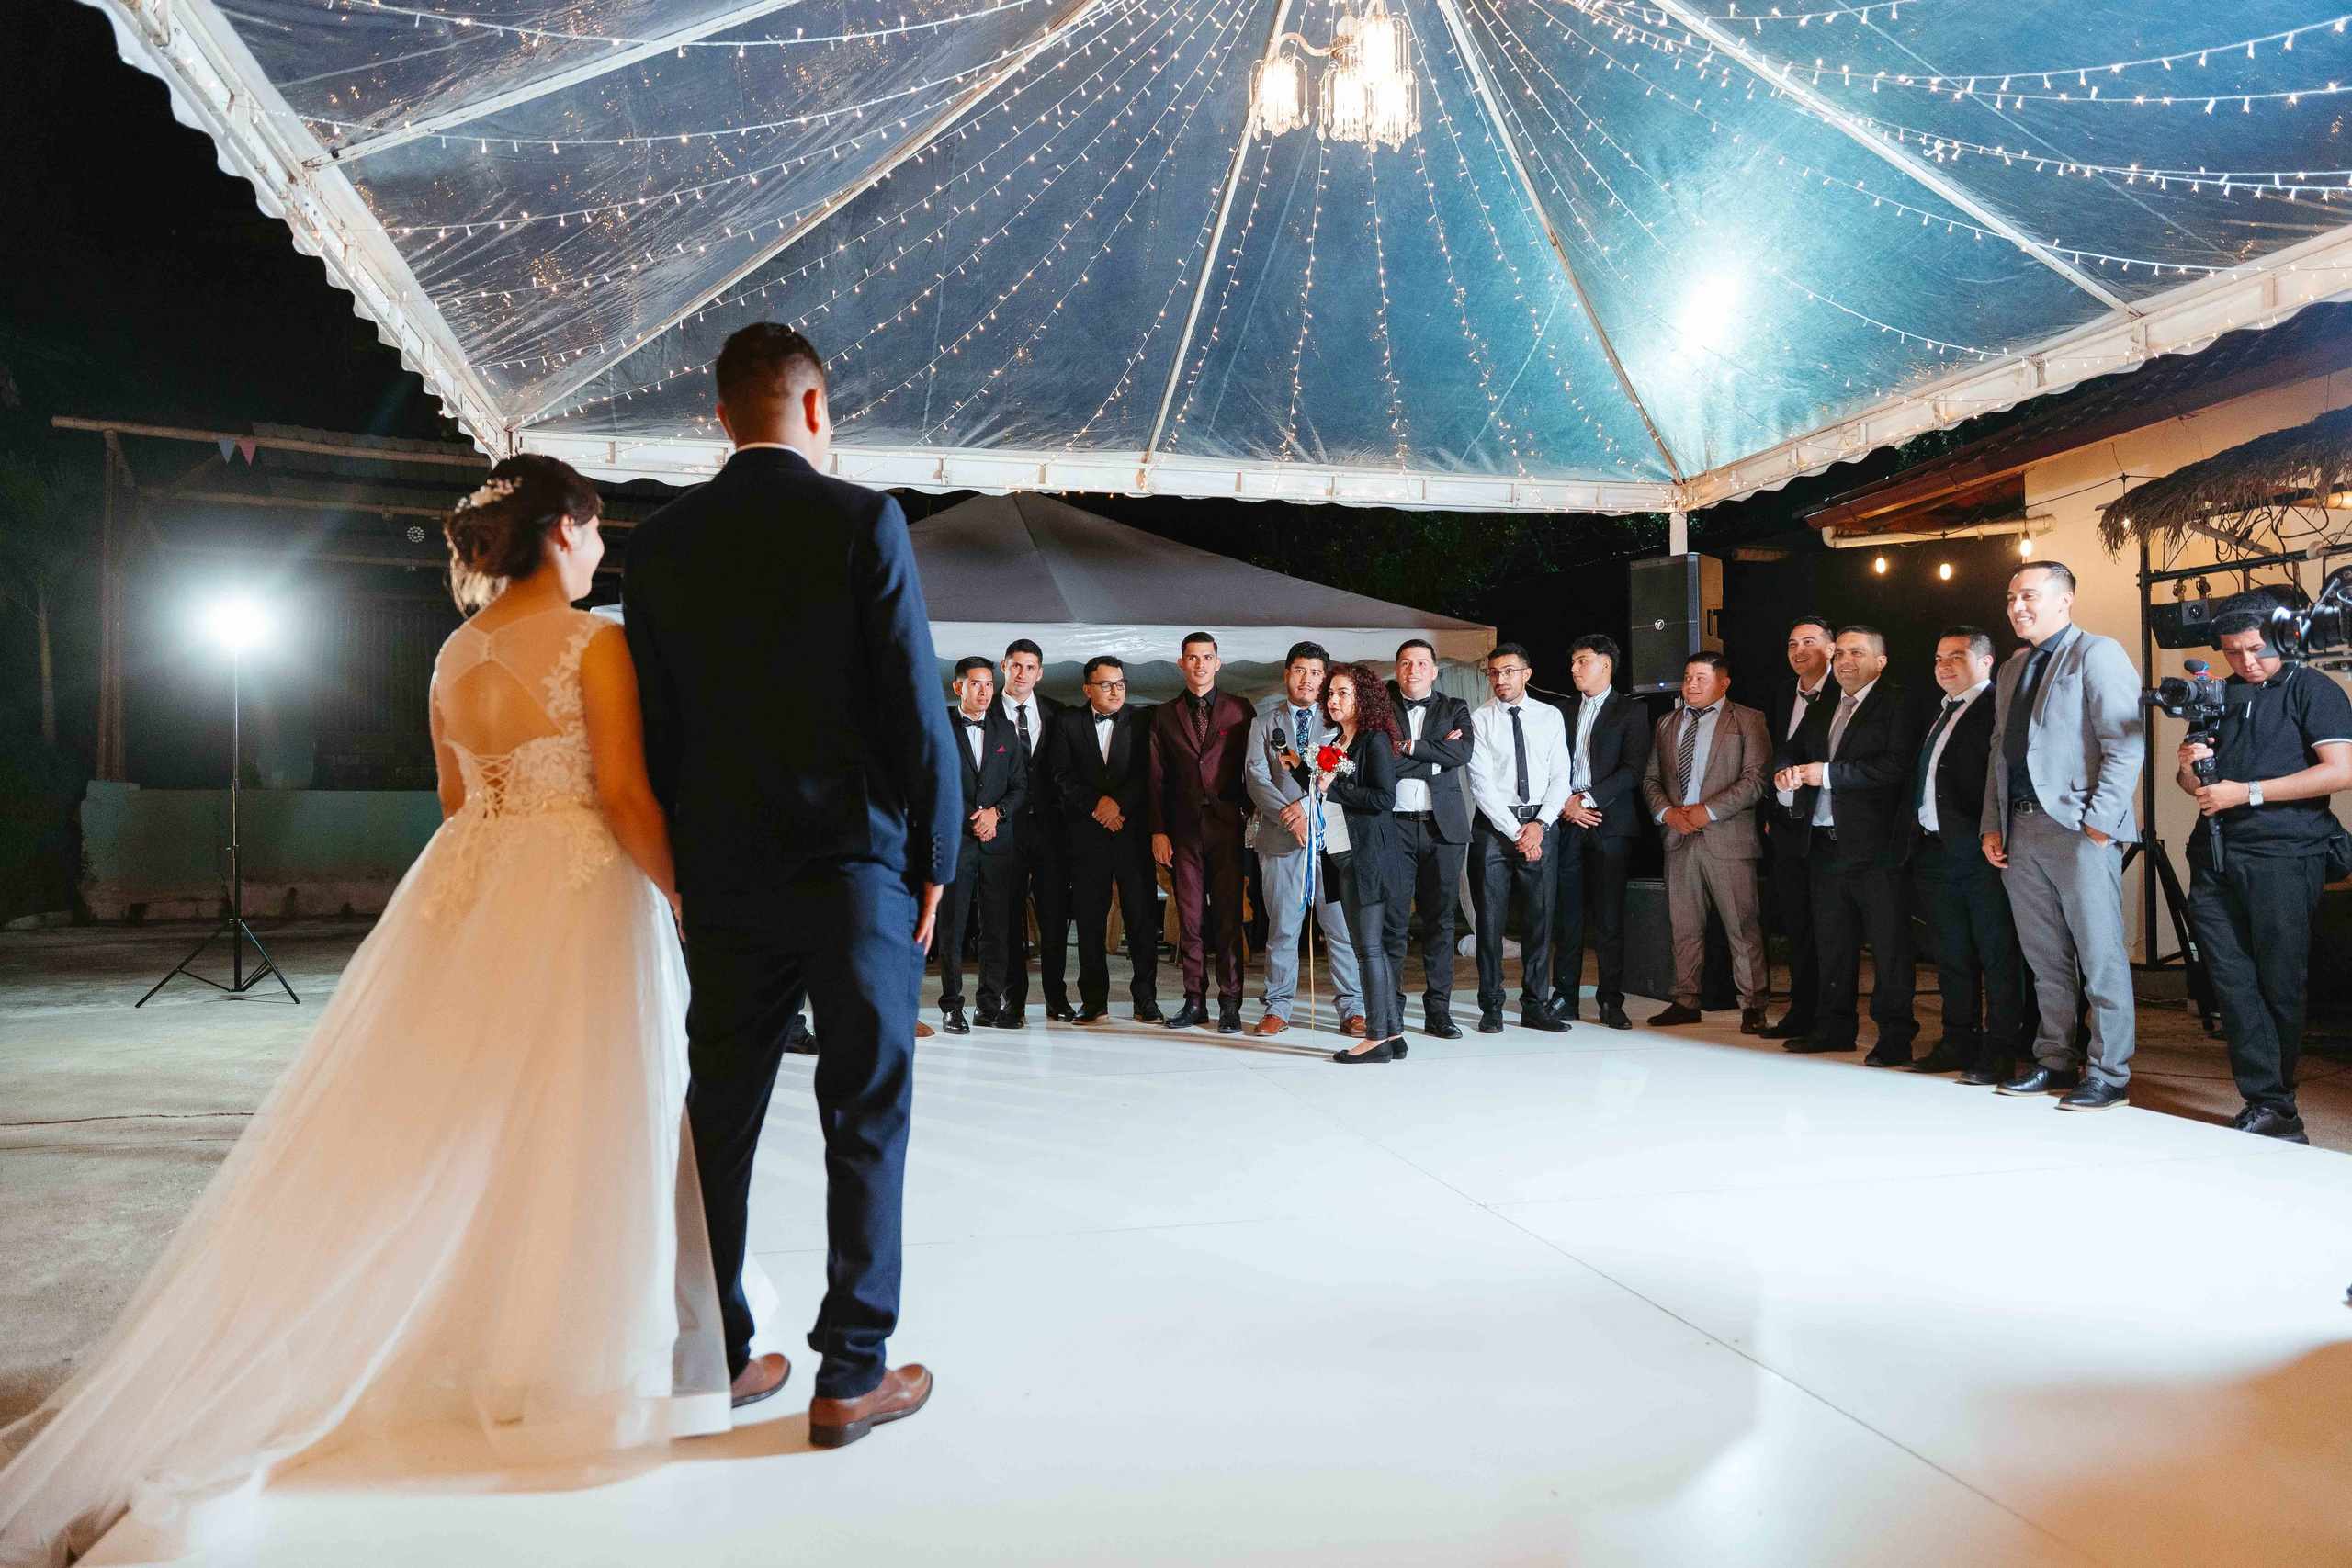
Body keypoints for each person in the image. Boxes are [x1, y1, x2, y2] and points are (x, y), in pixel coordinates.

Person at [0, 457, 733, 1564]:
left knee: (438, 1113)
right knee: (578, 1111)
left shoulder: (453, 653)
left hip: (467, 888)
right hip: (577, 890)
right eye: (590, 531)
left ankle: (467, 1323)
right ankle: (563, 1347)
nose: (597, 550)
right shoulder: (597, 644)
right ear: (562, 532)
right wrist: (685, 897)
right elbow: (625, 795)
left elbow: (454, 797)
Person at [625, 323, 955, 1442]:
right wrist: (935, 859)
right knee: (864, 1113)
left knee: (717, 1114)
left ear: (719, 419)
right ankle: (849, 1371)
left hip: (721, 876)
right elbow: (916, 706)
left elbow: (657, 732)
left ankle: (714, 1351)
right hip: (853, 870)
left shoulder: (660, 545)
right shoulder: (863, 518)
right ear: (817, 409)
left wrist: (686, 870)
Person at [2177, 606, 2352, 1142]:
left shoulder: (2313, 689)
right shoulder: (2217, 693)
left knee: (2280, 980)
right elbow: (2192, 783)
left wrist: (2247, 792)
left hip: (2285, 853)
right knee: (2231, 980)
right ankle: (2266, 1101)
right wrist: (2189, 767)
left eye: (2256, 648)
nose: (2245, 661)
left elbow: (2341, 771)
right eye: (2232, 651)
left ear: (2285, 637)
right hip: (2214, 854)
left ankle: (2280, 1104)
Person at [1981, 561, 2145, 1111]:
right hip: (2020, 828)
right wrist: (1992, 823)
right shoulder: (2011, 667)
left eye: (2028, 596)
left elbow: (2125, 743)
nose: (2016, 607)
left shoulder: (2097, 653)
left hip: (2079, 828)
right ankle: (2055, 1058)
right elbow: (1998, 755)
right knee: (2045, 956)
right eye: (2010, 598)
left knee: (2100, 956)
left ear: (2065, 598)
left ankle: (2110, 1073)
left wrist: (2100, 820)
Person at [1770, 626, 1918, 1063]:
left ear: (1881, 660)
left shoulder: (1898, 701)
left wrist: (1829, 774)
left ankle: (1895, 1035)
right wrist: (1785, 773)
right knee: (1831, 943)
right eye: (1841, 655)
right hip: (1823, 844)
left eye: (1858, 652)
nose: (1845, 662)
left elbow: (1896, 764)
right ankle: (1834, 1028)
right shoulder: (1826, 703)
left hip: (1877, 849)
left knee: (1890, 947)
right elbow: (1789, 748)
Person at [1904, 626, 2028, 1083]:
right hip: (1935, 851)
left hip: (1981, 850)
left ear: (1986, 661)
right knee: (1951, 953)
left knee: (1996, 952)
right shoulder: (1942, 711)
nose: (1944, 665)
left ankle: (1999, 1050)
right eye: (1938, 658)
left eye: (1956, 656)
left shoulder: (1996, 705)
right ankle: (1957, 1039)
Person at [1642, 651, 1770, 1032]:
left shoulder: (1747, 719)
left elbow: (1756, 779)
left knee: (1741, 926)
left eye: (1700, 677)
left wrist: (1707, 811)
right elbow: (1650, 780)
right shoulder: (1667, 722)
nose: (1691, 684)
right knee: (1684, 927)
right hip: (1678, 838)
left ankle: (1753, 1005)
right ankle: (1685, 1001)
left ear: (1723, 682)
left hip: (1728, 838)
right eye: (1687, 677)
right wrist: (1668, 813)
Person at [1246, 642, 1367, 1036]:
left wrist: (1306, 807)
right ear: (1287, 674)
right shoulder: (1264, 723)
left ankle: (1353, 1008)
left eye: (1316, 672)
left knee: (1341, 929)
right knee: (1282, 928)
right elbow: (1256, 778)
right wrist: (1289, 815)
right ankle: (1277, 1008)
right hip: (1282, 841)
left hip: (1331, 842)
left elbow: (1344, 779)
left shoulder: (1338, 725)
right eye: (1300, 670)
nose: (1308, 679)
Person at [1291, 663, 1408, 1063]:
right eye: (1331, 694)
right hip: (1341, 854)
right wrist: (1302, 770)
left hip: (1369, 858)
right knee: (1367, 948)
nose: (1333, 700)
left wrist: (1334, 786)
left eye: (1343, 693)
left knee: (1368, 950)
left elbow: (1382, 799)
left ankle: (1376, 1037)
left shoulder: (1374, 740)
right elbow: (1330, 790)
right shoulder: (1339, 741)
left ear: (1364, 698)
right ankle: (1392, 1032)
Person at [1148, 633, 1255, 1033]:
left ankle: (1230, 1003)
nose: (1200, 665)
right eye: (1192, 658)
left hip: (1227, 827)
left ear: (1218, 662)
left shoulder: (1240, 710)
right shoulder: (1163, 714)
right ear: (1181, 664)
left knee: (1228, 917)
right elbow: (1155, 780)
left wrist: (1246, 808)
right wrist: (1159, 831)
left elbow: (1254, 765)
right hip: (1182, 831)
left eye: (1207, 657)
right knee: (1189, 919)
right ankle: (1195, 1001)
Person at [1049, 656, 1163, 1023]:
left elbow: (1150, 773)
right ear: (1087, 689)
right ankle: (1093, 1000)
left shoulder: (1144, 719)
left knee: (1142, 920)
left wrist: (1118, 805)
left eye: (1120, 684)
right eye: (1106, 685)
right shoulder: (1067, 722)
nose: (1115, 691)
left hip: (1131, 835)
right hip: (1087, 836)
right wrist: (1098, 805)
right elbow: (1061, 775)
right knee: (1089, 921)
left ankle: (1145, 999)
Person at [1466, 643, 1572, 1034]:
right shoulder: (1479, 719)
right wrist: (1517, 833)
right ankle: (1491, 1006)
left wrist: (1540, 826)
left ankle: (1535, 1005)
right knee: (1490, 922)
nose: (1500, 679)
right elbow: (1480, 784)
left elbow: (1562, 774)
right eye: (1494, 673)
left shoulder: (1550, 716)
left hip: (1540, 825)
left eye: (1509, 671)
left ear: (1527, 674)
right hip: (1494, 830)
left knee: (1539, 922)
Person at [1548, 634, 1652, 1030]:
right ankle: (1565, 997)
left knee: (1609, 919)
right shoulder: (1561, 709)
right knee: (1567, 917)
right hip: (1567, 821)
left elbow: (1632, 769)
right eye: (1572, 662)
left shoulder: (1631, 711)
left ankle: (1610, 1000)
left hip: (1610, 823)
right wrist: (1566, 805)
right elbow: (1551, 766)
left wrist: (1586, 800)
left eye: (1582, 661)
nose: (1574, 669)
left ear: (1605, 664)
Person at [1385, 639, 1475, 1039]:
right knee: (1393, 922)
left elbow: (1462, 755)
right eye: (1406, 663)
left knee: (1440, 922)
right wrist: (1435, 755)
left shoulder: (1455, 706)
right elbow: (1382, 759)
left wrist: (1409, 750)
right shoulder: (1381, 706)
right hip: (1394, 828)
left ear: (1435, 670)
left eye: (1422, 663)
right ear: (1397, 668)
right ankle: (1390, 1009)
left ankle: (1439, 1011)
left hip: (1444, 829)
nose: (1414, 670)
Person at [935, 656, 1027, 1033]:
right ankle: (951, 1006)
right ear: (959, 687)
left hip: (999, 844)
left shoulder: (1006, 731)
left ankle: (988, 1005)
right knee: (952, 928)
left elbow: (1020, 786)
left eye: (989, 684)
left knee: (997, 928)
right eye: (976, 684)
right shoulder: (938, 724)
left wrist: (996, 815)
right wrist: (974, 819)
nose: (985, 691)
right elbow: (931, 783)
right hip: (956, 841)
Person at [1762, 616, 1836, 1038]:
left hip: (1826, 829)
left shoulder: (1840, 694)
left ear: (1831, 649)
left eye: (1809, 642)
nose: (1799, 651)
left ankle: (1826, 1016)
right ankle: (1801, 1011)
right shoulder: (1782, 693)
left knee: (1828, 929)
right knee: (1796, 927)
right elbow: (1780, 752)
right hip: (1787, 828)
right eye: (1792, 644)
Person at [998, 639, 1072, 1023]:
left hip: (1049, 830)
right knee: (1008, 916)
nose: (1022, 673)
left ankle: (1056, 998)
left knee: (1054, 915)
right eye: (1016, 666)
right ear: (1004, 667)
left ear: (1040, 673)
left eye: (1030, 667)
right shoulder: (987, 710)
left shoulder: (1057, 713)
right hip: (1004, 829)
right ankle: (1014, 999)